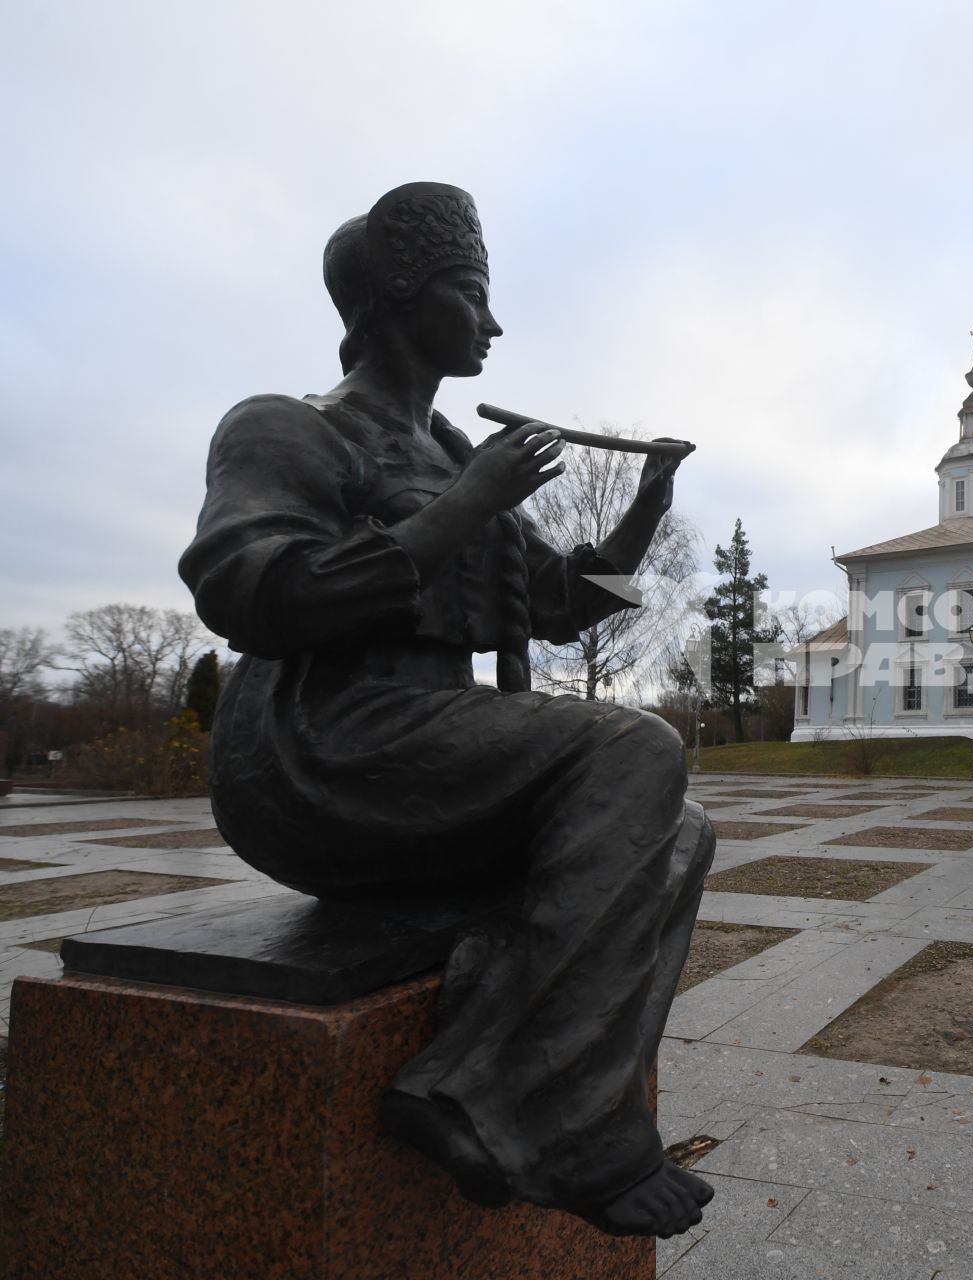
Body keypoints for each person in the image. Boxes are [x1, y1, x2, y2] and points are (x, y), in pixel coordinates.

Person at [178, 181, 715, 1238]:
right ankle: (579, 1130)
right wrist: (472, 505)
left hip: (427, 743)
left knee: (678, 831)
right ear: (397, 299)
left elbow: (559, 600)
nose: (494, 322)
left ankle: (473, 1091)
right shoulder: (289, 426)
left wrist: (647, 502)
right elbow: (252, 592)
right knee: (635, 751)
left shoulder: (449, 452)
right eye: (473, 295)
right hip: (317, 746)